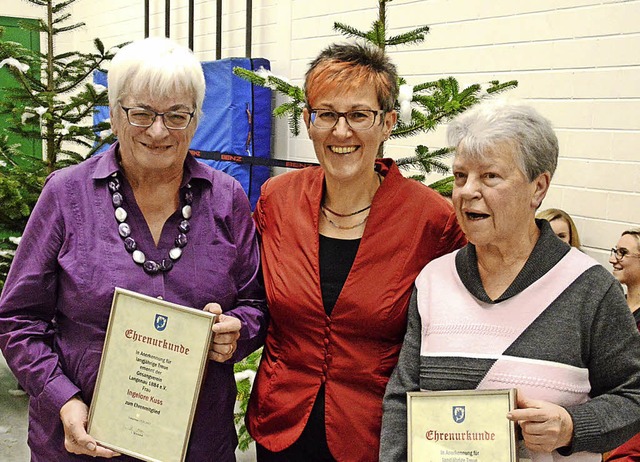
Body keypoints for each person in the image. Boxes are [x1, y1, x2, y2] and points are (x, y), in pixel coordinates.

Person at [0, 37, 267, 461]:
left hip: (197, 444)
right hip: (83, 443)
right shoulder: (66, 195)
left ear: (196, 119)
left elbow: (256, 303)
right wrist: (62, 399)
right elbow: (18, 317)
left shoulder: (226, 198)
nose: (158, 131)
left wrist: (236, 331)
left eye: (176, 115)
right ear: (114, 114)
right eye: (141, 113)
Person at [380, 99, 640, 461]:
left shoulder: (589, 288)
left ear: (538, 188)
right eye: (460, 176)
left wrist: (571, 426)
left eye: (489, 176)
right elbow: (402, 397)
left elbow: (633, 395)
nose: (467, 190)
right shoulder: (434, 281)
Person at [245, 42, 467, 461]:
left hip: (374, 435)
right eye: (326, 114)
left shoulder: (432, 220)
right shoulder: (277, 199)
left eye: (359, 115)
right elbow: (252, 298)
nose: (341, 132)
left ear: (388, 123)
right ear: (308, 122)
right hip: (280, 425)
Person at [603, 229, 640, 461]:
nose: (612, 258)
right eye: (615, 251)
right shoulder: (613, 304)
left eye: (622, 253)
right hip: (607, 408)